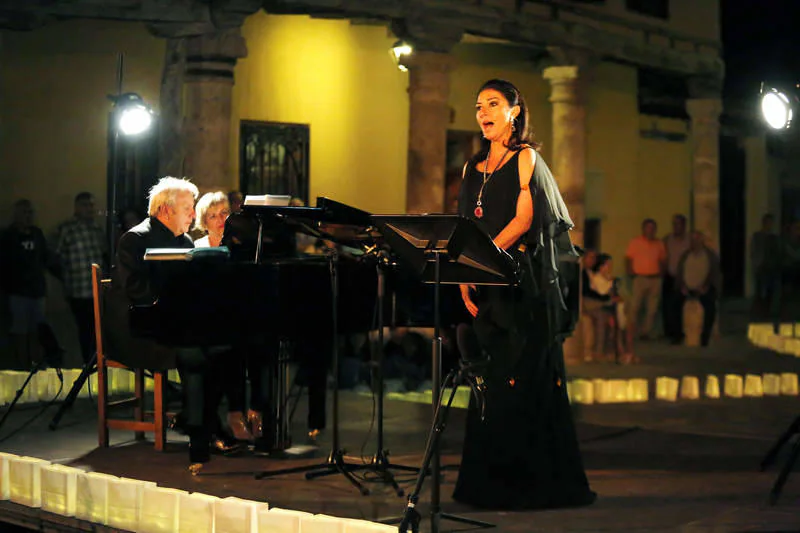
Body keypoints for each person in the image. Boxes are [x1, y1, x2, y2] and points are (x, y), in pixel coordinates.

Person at [452, 79, 595, 510]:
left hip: (521, 285)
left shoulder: (526, 157)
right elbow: (465, 224)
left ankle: (529, 485)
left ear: (514, 111)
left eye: (493, 104)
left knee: (522, 380)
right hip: (485, 285)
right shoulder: (470, 168)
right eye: (479, 106)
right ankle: (487, 484)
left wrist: (486, 259)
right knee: (489, 384)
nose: (483, 113)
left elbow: (524, 217)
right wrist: (464, 272)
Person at [106, 177, 232, 469]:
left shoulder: (184, 241)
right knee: (194, 355)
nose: (192, 214)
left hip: (171, 325)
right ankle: (200, 442)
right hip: (136, 330)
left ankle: (199, 421)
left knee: (226, 349)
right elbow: (136, 291)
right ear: (165, 210)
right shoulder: (134, 239)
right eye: (188, 208)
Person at [0, 200, 60, 368]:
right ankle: (22, 366)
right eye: (24, 213)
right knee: (20, 331)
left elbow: (45, 258)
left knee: (37, 330)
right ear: (17, 215)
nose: (28, 216)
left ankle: (36, 365)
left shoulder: (36, 234)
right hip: (18, 292)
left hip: (37, 290)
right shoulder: (9, 236)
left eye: (30, 213)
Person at [55, 192, 107, 365]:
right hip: (78, 290)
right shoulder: (67, 229)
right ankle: (87, 366)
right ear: (76, 207)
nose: (89, 209)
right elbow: (55, 257)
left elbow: (104, 256)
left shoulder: (97, 230)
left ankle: (96, 366)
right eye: (85, 205)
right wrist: (66, 280)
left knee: (98, 331)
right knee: (85, 331)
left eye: (91, 205)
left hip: (97, 290)